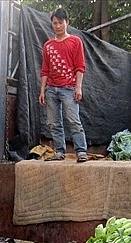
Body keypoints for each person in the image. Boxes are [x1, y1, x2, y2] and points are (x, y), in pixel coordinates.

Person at [38, 7, 88, 163]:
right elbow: (45, 69)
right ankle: (59, 152)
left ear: (67, 22)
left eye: (60, 23)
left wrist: (78, 87)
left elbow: (80, 66)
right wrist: (42, 91)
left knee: (74, 120)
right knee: (54, 123)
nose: (57, 26)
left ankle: (81, 151)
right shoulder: (48, 46)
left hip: (69, 88)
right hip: (51, 89)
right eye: (54, 23)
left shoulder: (75, 41)